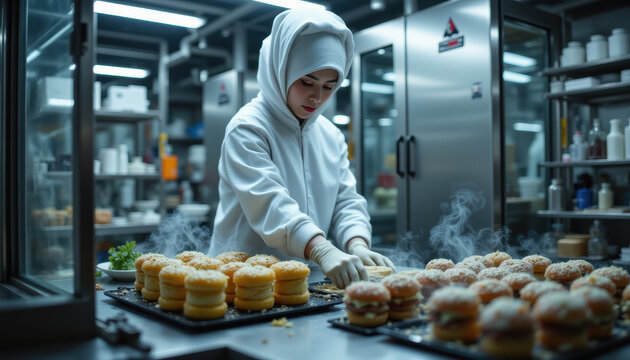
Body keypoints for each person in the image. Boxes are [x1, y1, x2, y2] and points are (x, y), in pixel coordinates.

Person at [208, 7, 395, 288]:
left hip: (300, 280)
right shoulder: (248, 128)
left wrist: (356, 242)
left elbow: (345, 200)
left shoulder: (330, 135)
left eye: (329, 86)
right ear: (281, 70)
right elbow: (269, 204)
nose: (317, 97)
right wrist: (322, 248)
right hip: (241, 280)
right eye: (307, 82)